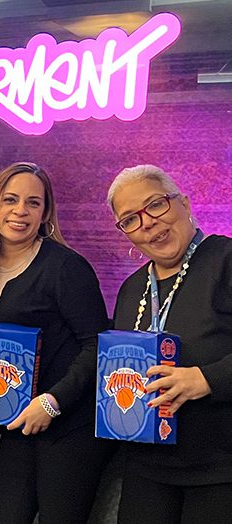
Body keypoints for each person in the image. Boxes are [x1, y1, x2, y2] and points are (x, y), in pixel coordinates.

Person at [0, 162, 116, 523]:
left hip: (70, 427)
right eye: (10, 200)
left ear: (45, 214)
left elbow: (97, 346)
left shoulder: (65, 267)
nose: (20, 211)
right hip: (19, 426)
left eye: (33, 203)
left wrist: (53, 401)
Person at [107, 165, 232, 523]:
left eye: (155, 205)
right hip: (146, 466)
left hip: (220, 468)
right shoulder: (132, 289)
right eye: (130, 219)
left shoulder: (225, 260)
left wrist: (206, 379)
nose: (146, 223)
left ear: (184, 203)